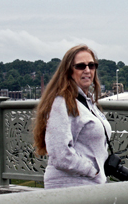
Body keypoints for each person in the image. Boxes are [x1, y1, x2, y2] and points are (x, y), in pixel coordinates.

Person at [33, 44, 111, 189]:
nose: (87, 70)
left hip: (91, 184)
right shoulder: (61, 103)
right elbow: (59, 154)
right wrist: (93, 170)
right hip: (70, 187)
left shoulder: (87, 103)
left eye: (92, 65)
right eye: (81, 66)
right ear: (69, 71)